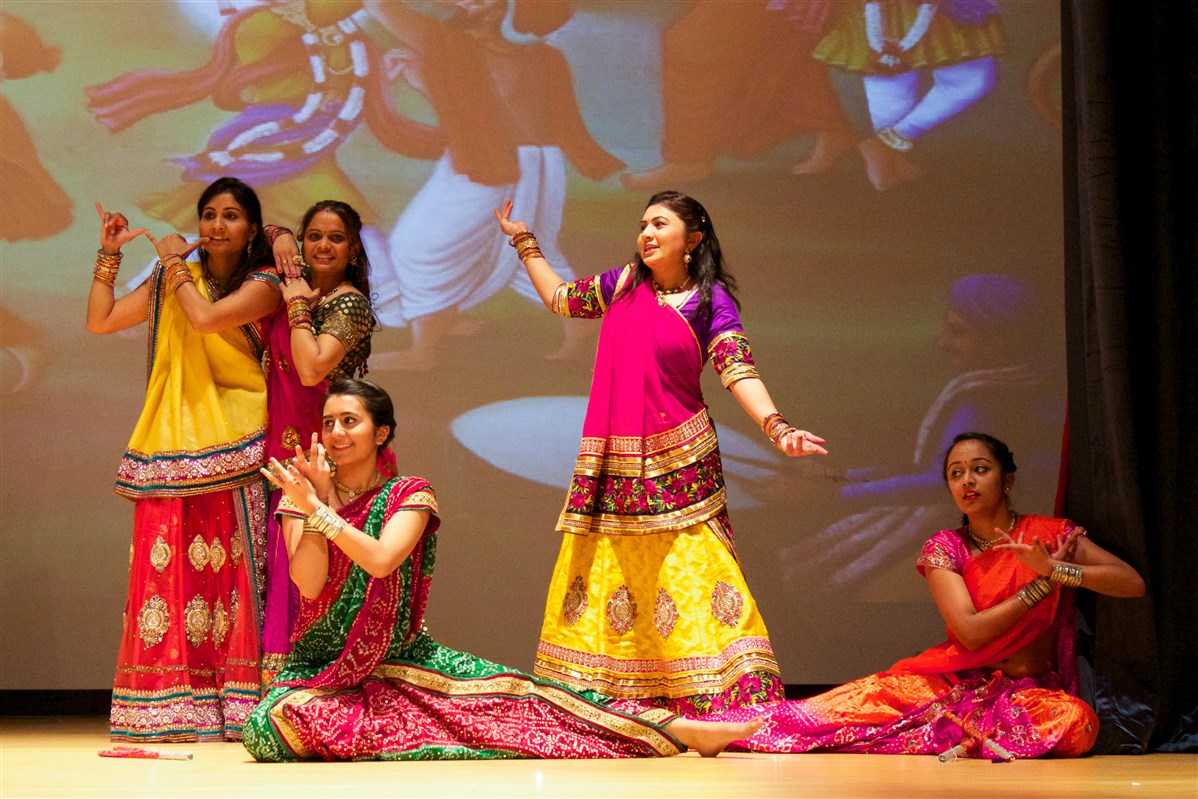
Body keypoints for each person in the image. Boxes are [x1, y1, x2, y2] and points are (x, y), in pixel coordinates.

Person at [245, 379, 762, 761]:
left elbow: (381, 560)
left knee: (521, 699)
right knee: (270, 727)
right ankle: (430, 728)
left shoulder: (409, 494)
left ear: (381, 433)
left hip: (402, 660)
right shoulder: (300, 500)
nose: (336, 433)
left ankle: (678, 730)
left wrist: (321, 511)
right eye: (329, 422)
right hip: (319, 673)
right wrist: (311, 508)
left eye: (350, 421)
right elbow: (308, 584)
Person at [493, 191, 828, 715]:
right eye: (643, 224)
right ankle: (611, 697)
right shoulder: (624, 284)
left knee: (695, 577)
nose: (646, 233)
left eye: (660, 224)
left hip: (682, 461)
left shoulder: (710, 301)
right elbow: (560, 299)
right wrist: (525, 243)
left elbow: (737, 369)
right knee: (610, 575)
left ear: (692, 240)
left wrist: (777, 427)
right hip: (614, 465)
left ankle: (720, 698)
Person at [728, 432, 1145, 758]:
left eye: (980, 469)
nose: (968, 481)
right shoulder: (946, 546)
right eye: (956, 473)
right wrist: (1043, 585)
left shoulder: (1049, 535)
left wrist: (1057, 568)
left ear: (1008, 479)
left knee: (1076, 723)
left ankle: (964, 737)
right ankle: (722, 728)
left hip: (1027, 693)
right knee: (829, 713)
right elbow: (971, 634)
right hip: (951, 683)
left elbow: (1131, 583)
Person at [87, 176, 295, 741]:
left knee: (232, 585)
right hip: (169, 447)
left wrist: (176, 264)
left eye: (231, 216)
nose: (217, 226)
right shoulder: (171, 280)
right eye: (209, 215)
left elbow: (206, 318)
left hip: (238, 445)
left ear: (252, 228)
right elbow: (100, 320)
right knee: (168, 578)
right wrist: (110, 257)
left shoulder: (266, 284)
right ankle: (166, 708)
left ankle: (234, 708)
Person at [260, 200, 376, 682]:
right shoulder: (301, 283)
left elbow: (311, 367)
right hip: (281, 446)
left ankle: (321, 681)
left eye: (335, 238)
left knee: (318, 573)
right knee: (282, 566)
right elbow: (254, 231)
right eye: (313, 237)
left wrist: (297, 301)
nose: (323, 245)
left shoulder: (349, 303)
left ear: (352, 250)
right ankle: (283, 684)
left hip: (326, 455)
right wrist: (279, 231)